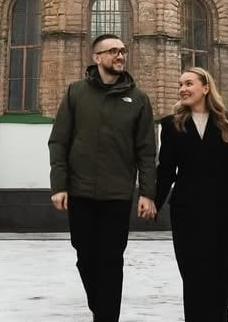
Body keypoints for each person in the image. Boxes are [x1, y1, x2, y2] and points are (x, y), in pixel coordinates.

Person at [48, 34, 157, 322]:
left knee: (111, 261)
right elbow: (59, 141)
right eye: (112, 52)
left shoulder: (138, 99)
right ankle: (101, 308)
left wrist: (147, 192)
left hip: (117, 195)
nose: (120, 56)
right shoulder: (75, 93)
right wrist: (59, 185)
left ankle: (106, 317)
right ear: (97, 58)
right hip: (80, 192)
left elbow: (147, 151)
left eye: (122, 51)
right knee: (85, 257)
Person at [155, 67, 228, 322]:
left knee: (222, 276)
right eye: (180, 84)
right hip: (187, 212)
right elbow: (165, 170)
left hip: (222, 213)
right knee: (194, 275)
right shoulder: (171, 124)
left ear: (205, 88)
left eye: (189, 83)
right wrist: (153, 202)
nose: (183, 89)